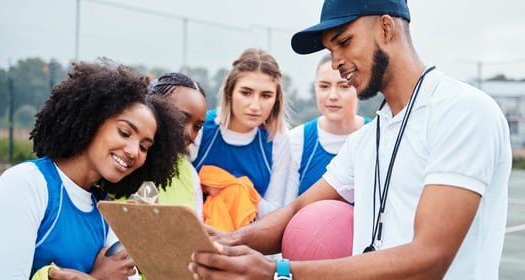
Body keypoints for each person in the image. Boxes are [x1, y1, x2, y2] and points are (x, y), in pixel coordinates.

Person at [188, 1, 512, 280]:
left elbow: (429, 258)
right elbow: (297, 210)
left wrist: (279, 273)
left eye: (343, 42)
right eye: (330, 50)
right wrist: (226, 241)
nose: (337, 62)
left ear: (386, 28)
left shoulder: (462, 112)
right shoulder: (367, 138)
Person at [0, 59, 185, 280]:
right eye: (124, 132)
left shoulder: (104, 210)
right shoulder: (26, 184)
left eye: (145, 146)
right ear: (93, 120)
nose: (133, 151)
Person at [192, 47, 291, 219]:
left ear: (276, 100)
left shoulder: (277, 139)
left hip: (248, 240)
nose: (255, 105)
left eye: (266, 96)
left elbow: (274, 214)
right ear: (230, 91)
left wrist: (237, 187)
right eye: (246, 93)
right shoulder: (201, 128)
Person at [285, 52, 369, 204]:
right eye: (324, 86)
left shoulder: (379, 136)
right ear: (315, 89)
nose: (333, 96)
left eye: (343, 86)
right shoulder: (296, 141)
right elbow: (286, 210)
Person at [148, 72, 208, 219]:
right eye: (181, 118)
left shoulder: (189, 175)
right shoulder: (125, 158)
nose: (188, 132)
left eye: (197, 127)